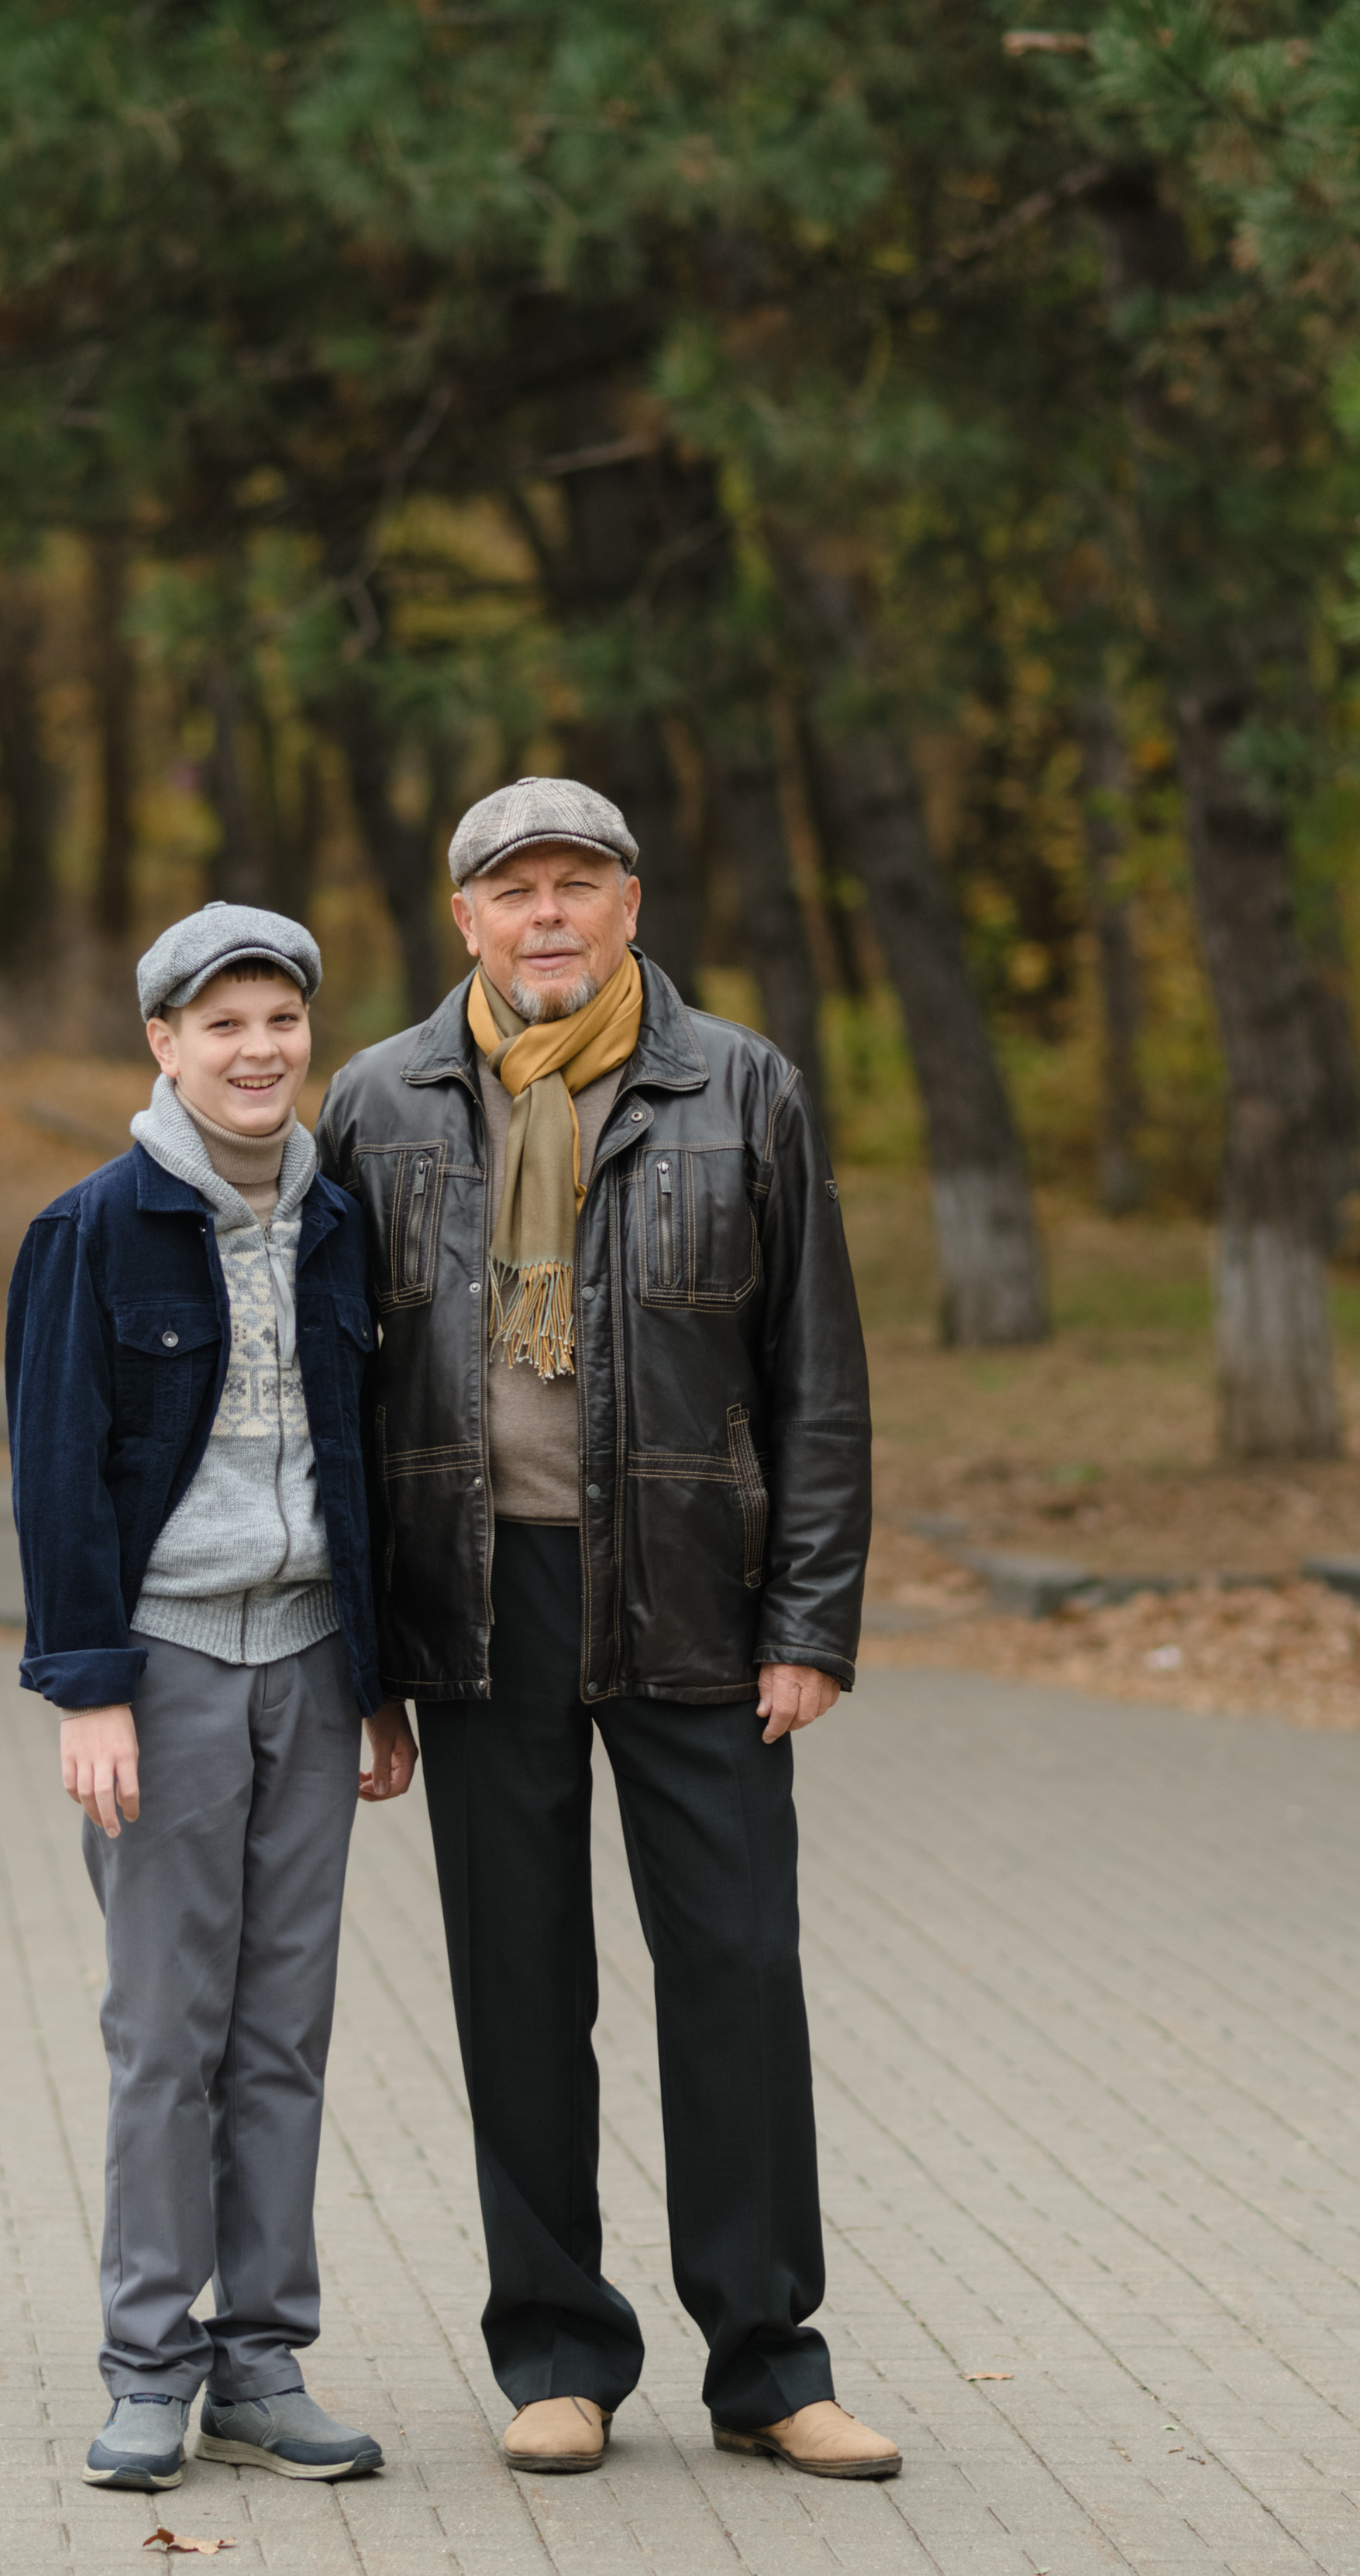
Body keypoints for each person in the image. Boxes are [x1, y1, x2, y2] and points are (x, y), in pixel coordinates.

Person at [318, 777, 899, 2484]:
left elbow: (819, 1381)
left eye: (579, 883)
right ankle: (557, 2353)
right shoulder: (378, 1103)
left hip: (698, 1610)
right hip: (474, 1607)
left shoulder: (739, 1090)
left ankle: (767, 2363)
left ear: (631, 904)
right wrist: (366, 1667)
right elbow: (339, 1409)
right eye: (517, 891)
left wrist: (809, 1621)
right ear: (466, 923)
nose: (548, 914)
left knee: (731, 1973)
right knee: (519, 1991)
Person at [6, 902, 419, 2494]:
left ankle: (260, 2360)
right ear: (163, 1047)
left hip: (311, 1669)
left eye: (281, 1022)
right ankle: (145, 2365)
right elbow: (57, 1481)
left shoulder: (337, 1224)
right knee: (164, 2032)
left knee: (282, 2033)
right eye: (222, 1025)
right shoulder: (93, 1229)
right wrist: (87, 1689)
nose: (258, 1053)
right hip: (165, 1673)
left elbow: (363, 1466)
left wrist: (378, 1685)